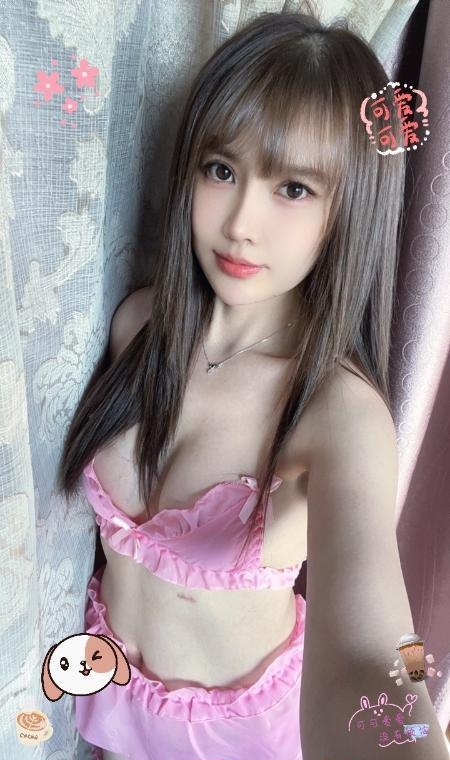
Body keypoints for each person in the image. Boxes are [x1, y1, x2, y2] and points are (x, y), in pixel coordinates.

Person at [56, 8, 449, 760]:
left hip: (238, 742)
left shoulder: (338, 413)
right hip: (109, 705)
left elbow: (374, 656)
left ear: (348, 207)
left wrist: (404, 740)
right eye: (222, 170)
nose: (241, 222)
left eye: (293, 188)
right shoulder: (138, 326)